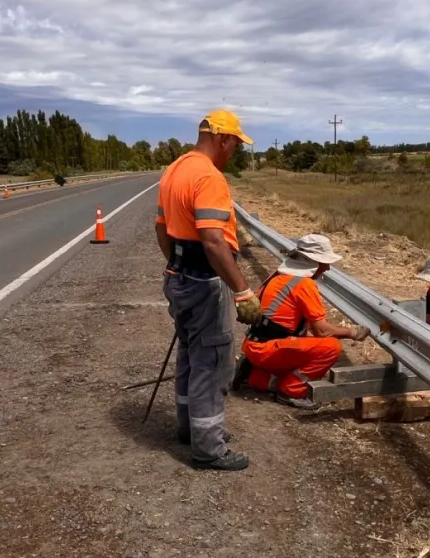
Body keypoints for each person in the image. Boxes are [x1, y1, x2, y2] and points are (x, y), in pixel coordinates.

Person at [155, 109, 263, 471]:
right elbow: (214, 240)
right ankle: (208, 449)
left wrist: (178, 266)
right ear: (223, 139)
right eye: (235, 143)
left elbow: (161, 228)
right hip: (204, 282)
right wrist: (243, 290)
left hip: (179, 276)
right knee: (212, 363)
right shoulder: (209, 177)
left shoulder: (175, 170)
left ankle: (190, 429)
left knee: (190, 354)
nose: (235, 151)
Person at [231, 234, 370, 410]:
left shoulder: (278, 275)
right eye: (324, 263)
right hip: (268, 350)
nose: (327, 268)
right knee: (330, 347)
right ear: (312, 262)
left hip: (255, 345)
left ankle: (255, 375)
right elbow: (322, 331)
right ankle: (291, 391)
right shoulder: (305, 284)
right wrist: (352, 332)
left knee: (304, 344)